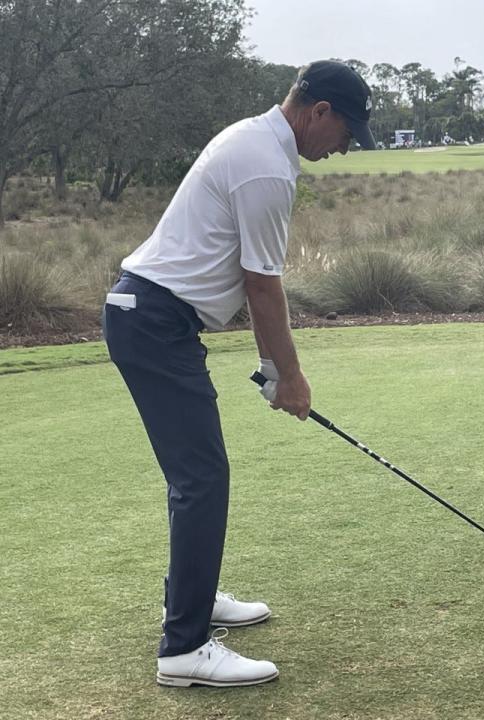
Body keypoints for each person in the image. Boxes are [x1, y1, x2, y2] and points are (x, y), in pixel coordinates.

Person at [102, 60, 376, 688]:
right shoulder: (265, 166)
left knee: (196, 475)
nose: (342, 149)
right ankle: (184, 647)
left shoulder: (254, 139)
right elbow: (261, 285)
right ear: (319, 113)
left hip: (155, 318)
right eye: (345, 133)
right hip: (152, 322)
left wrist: (267, 366)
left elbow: (243, 277)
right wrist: (291, 375)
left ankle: (192, 600)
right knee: (202, 478)